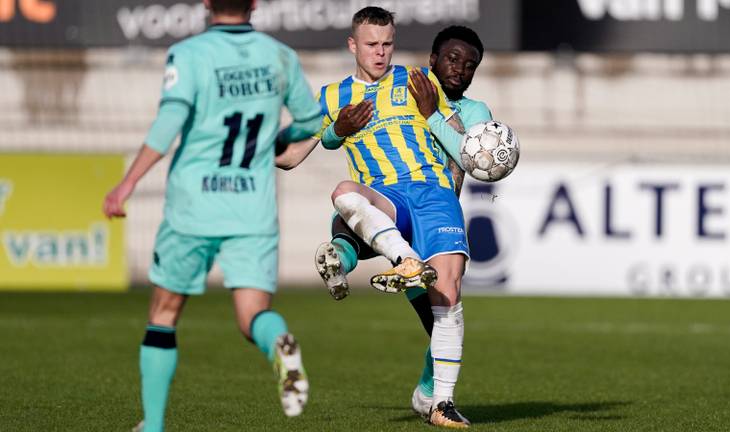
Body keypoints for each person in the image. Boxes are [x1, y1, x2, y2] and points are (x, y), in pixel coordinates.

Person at [102, 1, 323, 430]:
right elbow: (311, 121)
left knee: (164, 314)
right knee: (252, 315)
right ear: (254, 3)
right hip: (252, 208)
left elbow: (169, 122)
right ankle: (278, 342)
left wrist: (127, 183)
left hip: (194, 207)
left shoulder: (189, 54)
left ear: (206, 2)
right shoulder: (279, 55)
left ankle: (153, 425)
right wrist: (277, 137)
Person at [312, 8, 484, 428]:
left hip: (436, 211)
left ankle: (431, 396)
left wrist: (432, 115)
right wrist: (333, 132)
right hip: (395, 209)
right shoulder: (409, 87)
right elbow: (309, 143)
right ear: (433, 60)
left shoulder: (468, 109)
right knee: (346, 211)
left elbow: (476, 158)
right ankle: (349, 260)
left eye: (469, 65)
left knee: (442, 313)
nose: (459, 69)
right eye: (452, 60)